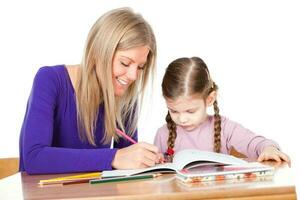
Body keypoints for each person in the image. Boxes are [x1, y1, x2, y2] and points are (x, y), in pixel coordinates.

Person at [19, 7, 161, 174]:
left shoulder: (125, 96)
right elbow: (35, 158)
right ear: (98, 53)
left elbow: (127, 166)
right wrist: (113, 157)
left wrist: (143, 160)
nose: (133, 76)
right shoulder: (50, 80)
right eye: (125, 63)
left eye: (140, 67)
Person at [154, 57, 290, 163]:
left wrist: (268, 149)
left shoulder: (226, 129)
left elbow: (257, 143)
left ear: (209, 99)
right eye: (174, 111)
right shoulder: (162, 134)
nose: (182, 119)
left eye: (190, 111)